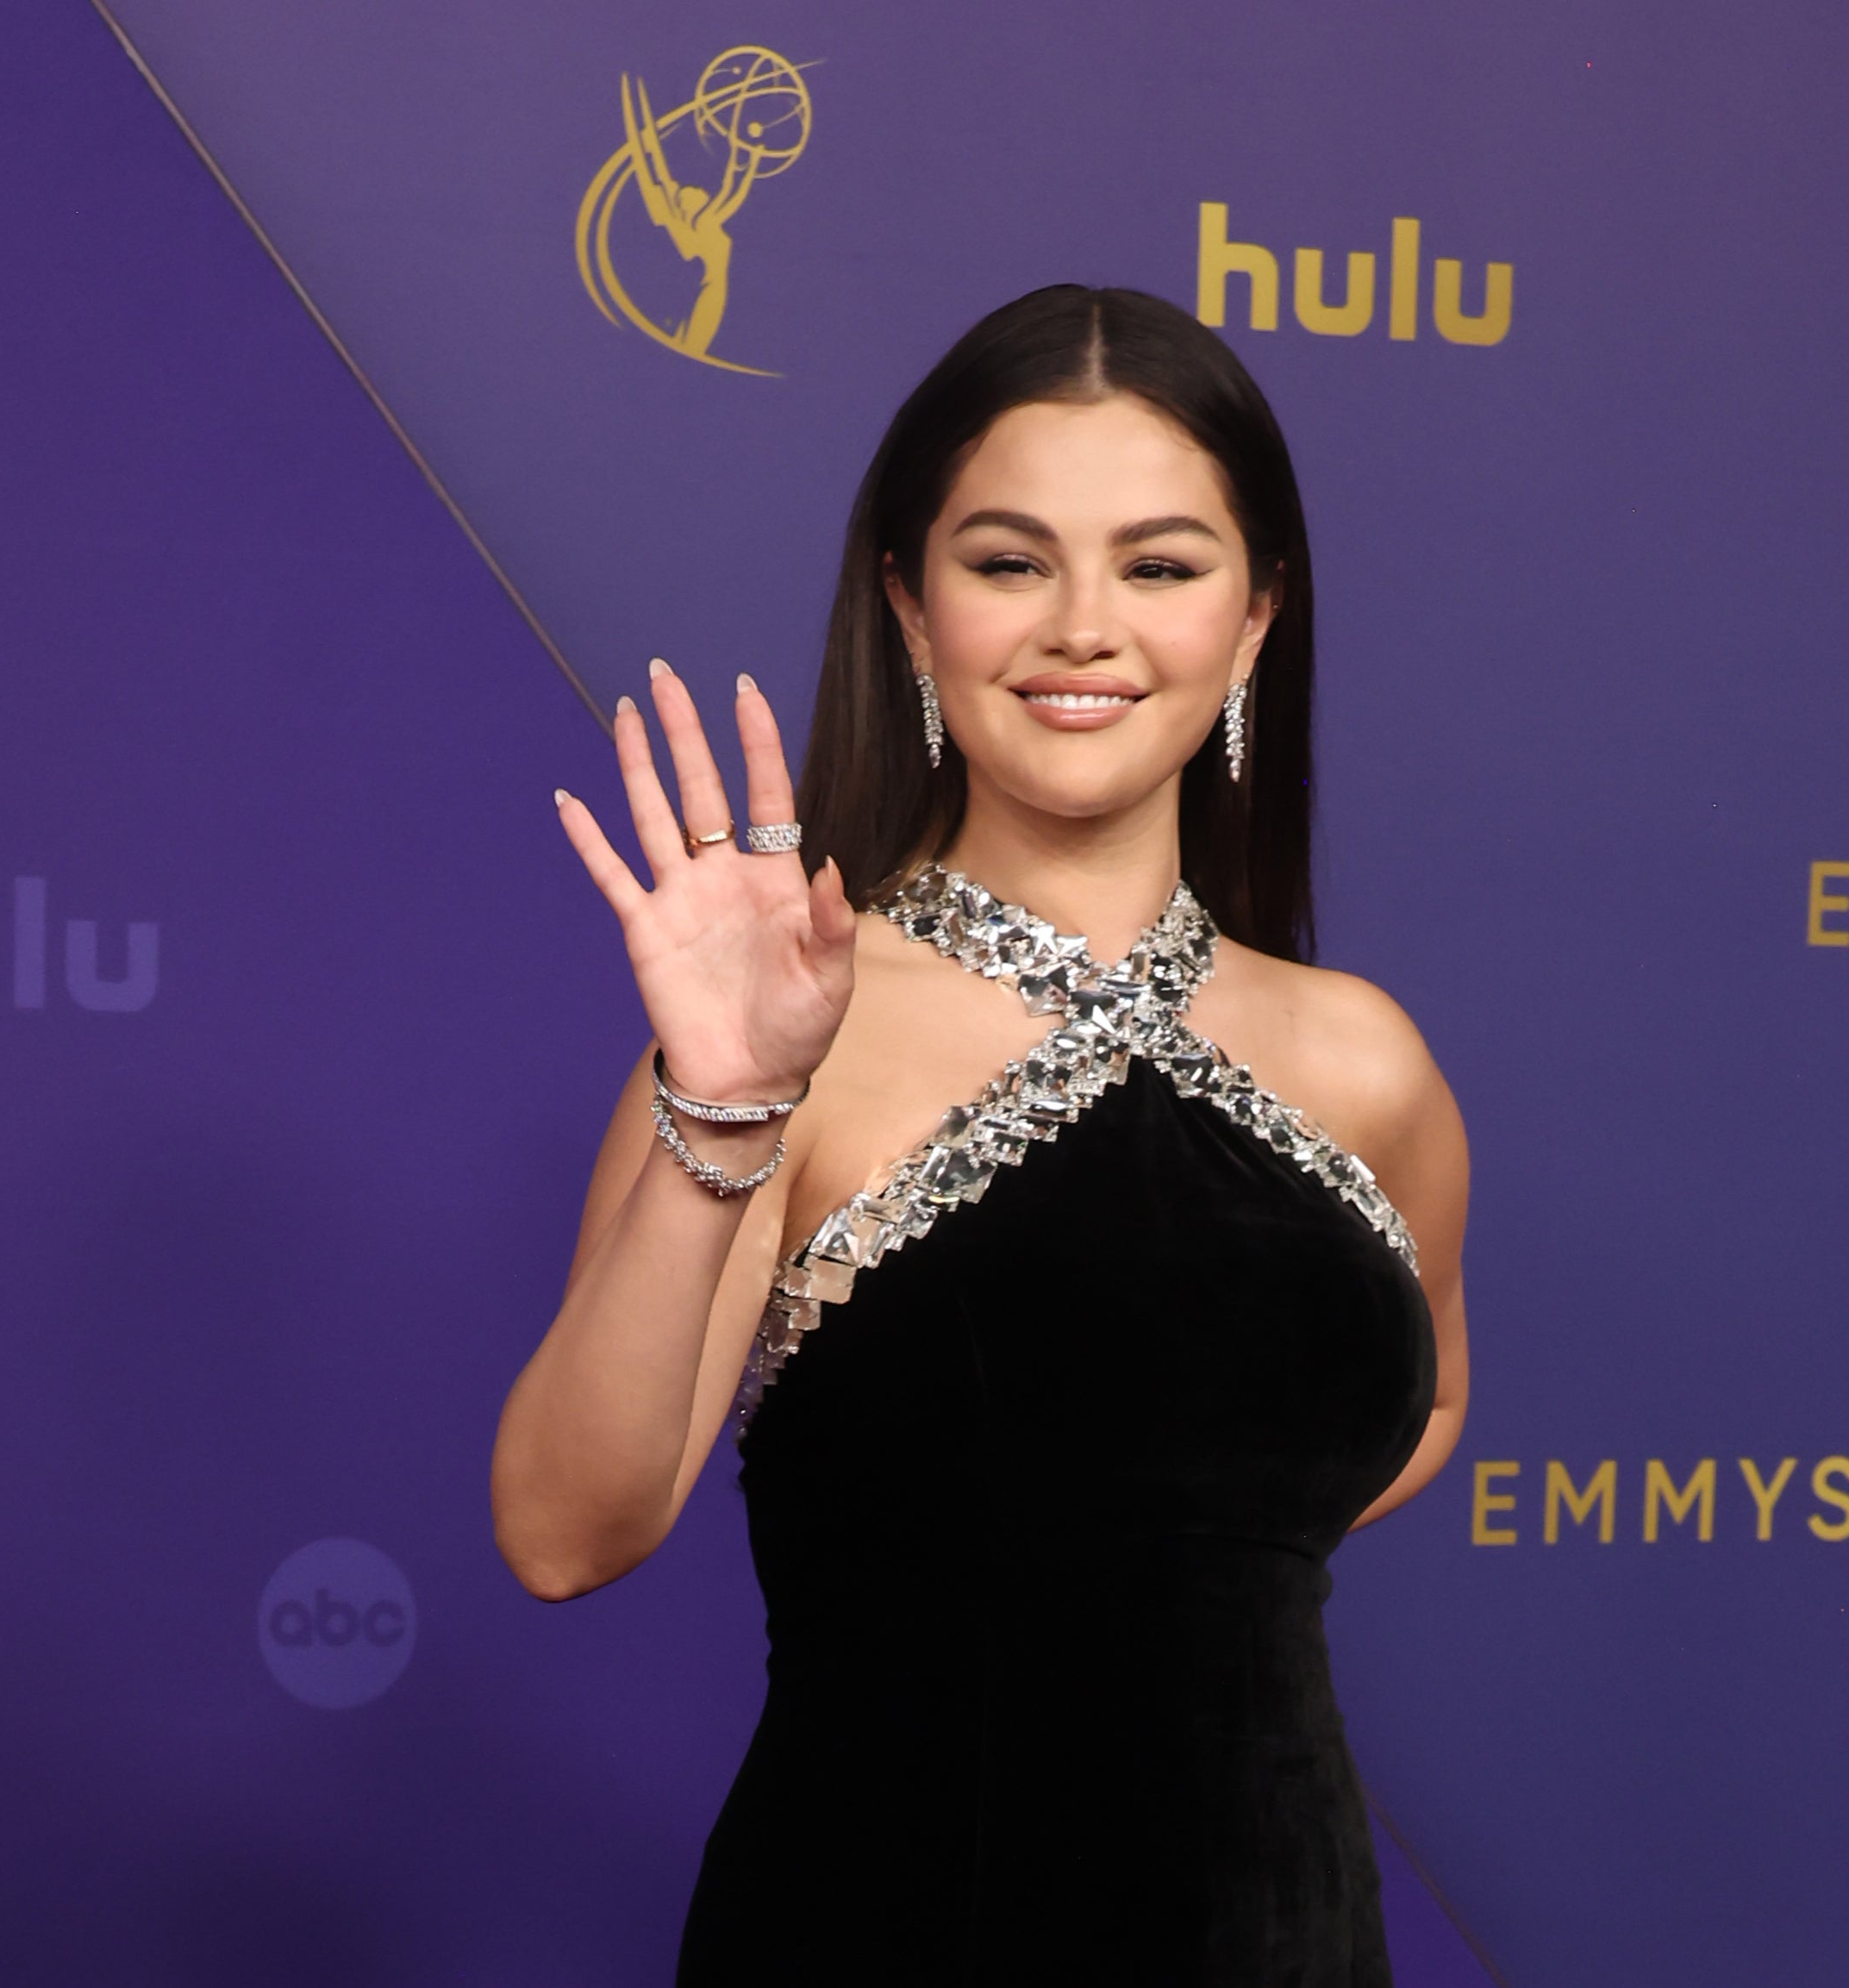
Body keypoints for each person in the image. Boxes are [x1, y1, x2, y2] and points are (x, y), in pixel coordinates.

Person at [491, 285, 1471, 1985]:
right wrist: (721, 1105)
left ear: (1253, 623)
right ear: (907, 604)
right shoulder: (799, 1027)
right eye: (1009, 560)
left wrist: (1182, 1527)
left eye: (1158, 566)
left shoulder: (1361, 1058)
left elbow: (1427, 1397)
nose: (1082, 625)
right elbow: (563, 1530)